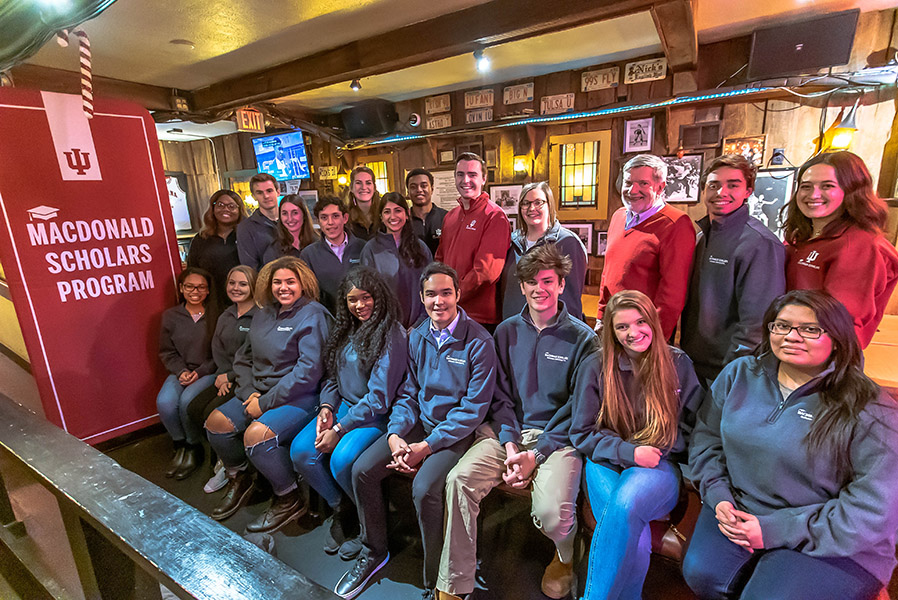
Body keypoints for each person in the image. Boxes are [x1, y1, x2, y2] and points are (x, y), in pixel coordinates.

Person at [684, 290, 898, 600]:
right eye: (781, 325)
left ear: (837, 338)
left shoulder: (870, 408)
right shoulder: (740, 374)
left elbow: (872, 510)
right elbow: (706, 440)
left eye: (810, 329)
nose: (792, 336)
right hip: (741, 511)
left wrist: (775, 530)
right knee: (702, 575)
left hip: (833, 538)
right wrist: (718, 496)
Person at [437, 244, 596, 600]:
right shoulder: (506, 333)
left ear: (560, 284)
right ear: (521, 286)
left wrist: (535, 454)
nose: (540, 289)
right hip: (507, 433)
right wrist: (511, 444)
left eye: (548, 281)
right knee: (459, 480)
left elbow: (578, 410)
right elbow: (500, 396)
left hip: (558, 438)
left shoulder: (584, 339)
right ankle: (453, 581)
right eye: (531, 282)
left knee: (552, 514)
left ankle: (565, 556)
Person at [336, 263, 497, 600]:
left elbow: (473, 411)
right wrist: (396, 433)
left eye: (445, 293)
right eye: (430, 294)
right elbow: (408, 393)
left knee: (424, 489)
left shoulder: (480, 342)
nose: (438, 301)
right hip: (418, 425)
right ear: (422, 298)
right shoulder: (417, 335)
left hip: (456, 434)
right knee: (363, 470)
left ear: (457, 294)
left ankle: (434, 580)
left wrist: (426, 446)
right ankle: (374, 552)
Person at [570, 290, 702, 600]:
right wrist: (629, 452)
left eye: (640, 322)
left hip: (659, 464)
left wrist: (667, 451)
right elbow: (582, 433)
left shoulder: (677, 363)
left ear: (653, 321)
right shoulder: (596, 366)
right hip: (605, 460)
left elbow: (700, 425)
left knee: (626, 505)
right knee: (635, 536)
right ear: (612, 332)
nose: (633, 333)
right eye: (622, 327)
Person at [204, 257, 331, 533]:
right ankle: (240, 478)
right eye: (277, 282)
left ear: (303, 284)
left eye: (290, 282)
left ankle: (288, 497)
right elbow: (243, 358)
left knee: (256, 436)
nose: (283, 288)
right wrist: (250, 393)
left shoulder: (314, 315)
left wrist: (264, 403)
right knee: (216, 423)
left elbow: (308, 373)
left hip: (300, 397)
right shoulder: (262, 313)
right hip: (256, 393)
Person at [290, 267, 408, 561]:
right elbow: (331, 377)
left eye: (366, 298)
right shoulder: (345, 329)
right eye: (352, 300)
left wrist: (339, 429)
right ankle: (343, 508)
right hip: (341, 408)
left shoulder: (391, 333)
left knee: (342, 460)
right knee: (301, 452)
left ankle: (370, 520)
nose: (360, 305)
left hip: (372, 417)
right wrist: (327, 408)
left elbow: (379, 399)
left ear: (377, 297)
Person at [680, 155, 786, 383]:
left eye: (733, 185)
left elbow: (757, 323)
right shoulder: (699, 234)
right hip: (693, 363)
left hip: (727, 371)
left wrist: (732, 373)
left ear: (748, 191)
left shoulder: (760, 243)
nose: (721, 192)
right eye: (714, 185)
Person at [783, 151, 898, 348]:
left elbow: (840, 320)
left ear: (852, 191)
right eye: (806, 187)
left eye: (827, 186)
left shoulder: (861, 245)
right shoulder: (801, 236)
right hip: (787, 344)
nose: (813, 195)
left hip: (822, 358)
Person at [597, 154, 695, 339]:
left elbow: (671, 295)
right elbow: (607, 273)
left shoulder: (676, 224)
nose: (633, 190)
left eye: (643, 183)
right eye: (628, 183)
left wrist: (653, 339)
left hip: (643, 335)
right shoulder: (618, 216)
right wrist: (601, 317)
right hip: (613, 326)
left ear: (660, 187)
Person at [185, 265, 259, 490]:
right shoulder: (226, 315)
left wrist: (230, 375)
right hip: (224, 377)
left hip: (248, 379)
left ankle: (231, 465)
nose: (236, 288)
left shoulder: (260, 316)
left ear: (254, 286)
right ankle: (220, 458)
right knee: (193, 408)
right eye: (232, 283)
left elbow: (254, 355)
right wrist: (222, 376)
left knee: (211, 414)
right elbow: (217, 349)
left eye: (243, 284)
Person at [435, 152, 511, 330]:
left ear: (483, 178)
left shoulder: (494, 216)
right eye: (460, 174)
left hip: (479, 317)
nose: (465, 180)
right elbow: (440, 260)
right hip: (450, 311)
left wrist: (451, 296)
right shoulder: (451, 216)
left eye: (472, 175)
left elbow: (486, 272)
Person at [157, 267, 219, 481]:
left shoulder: (216, 315)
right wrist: (181, 371)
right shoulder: (170, 316)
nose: (196, 291)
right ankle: (180, 445)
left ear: (209, 290)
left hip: (208, 371)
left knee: (186, 402)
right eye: (190, 286)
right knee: (165, 402)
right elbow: (167, 351)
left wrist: (200, 372)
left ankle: (194, 446)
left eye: (202, 287)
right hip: (182, 370)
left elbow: (220, 354)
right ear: (182, 289)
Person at [500, 181, 587, 320]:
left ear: (549, 205)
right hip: (513, 330)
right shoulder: (512, 241)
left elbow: (571, 298)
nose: (531, 208)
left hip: (552, 332)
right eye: (526, 203)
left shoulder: (567, 242)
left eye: (538, 202)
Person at [361, 192, 432, 328]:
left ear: (406, 214)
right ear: (381, 217)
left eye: (398, 211)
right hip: (384, 329)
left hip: (419, 328)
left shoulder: (421, 248)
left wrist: (420, 324)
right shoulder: (370, 250)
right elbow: (367, 295)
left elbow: (430, 289)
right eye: (387, 212)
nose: (393, 216)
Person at [300, 196, 366, 316]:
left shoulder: (363, 248)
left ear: (345, 218)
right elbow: (308, 296)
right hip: (328, 320)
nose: (330, 222)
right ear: (318, 222)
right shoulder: (308, 254)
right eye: (324, 218)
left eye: (335, 216)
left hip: (361, 319)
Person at [187, 189, 246, 312]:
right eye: (220, 205)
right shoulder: (201, 239)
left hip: (243, 301)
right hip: (211, 302)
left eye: (232, 206)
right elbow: (192, 270)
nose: (226, 209)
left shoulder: (247, 236)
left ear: (239, 210)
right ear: (212, 209)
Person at [237, 173, 280, 271]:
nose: (266, 196)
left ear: (278, 192)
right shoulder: (245, 228)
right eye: (260, 193)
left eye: (269, 191)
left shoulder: (291, 220)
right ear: (254, 196)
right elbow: (250, 267)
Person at [263, 194, 318, 264]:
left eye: (295, 213)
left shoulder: (319, 244)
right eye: (285, 213)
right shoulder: (273, 251)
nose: (290, 218)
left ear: (304, 215)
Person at [407, 167, 447, 255]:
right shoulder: (403, 220)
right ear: (408, 192)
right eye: (413, 187)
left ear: (432, 189)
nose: (419, 190)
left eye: (424, 186)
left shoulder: (446, 217)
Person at [346, 166, 381, 241]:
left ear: (374, 187)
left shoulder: (384, 214)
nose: (364, 187)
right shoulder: (345, 219)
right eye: (358, 183)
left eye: (368, 183)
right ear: (351, 188)